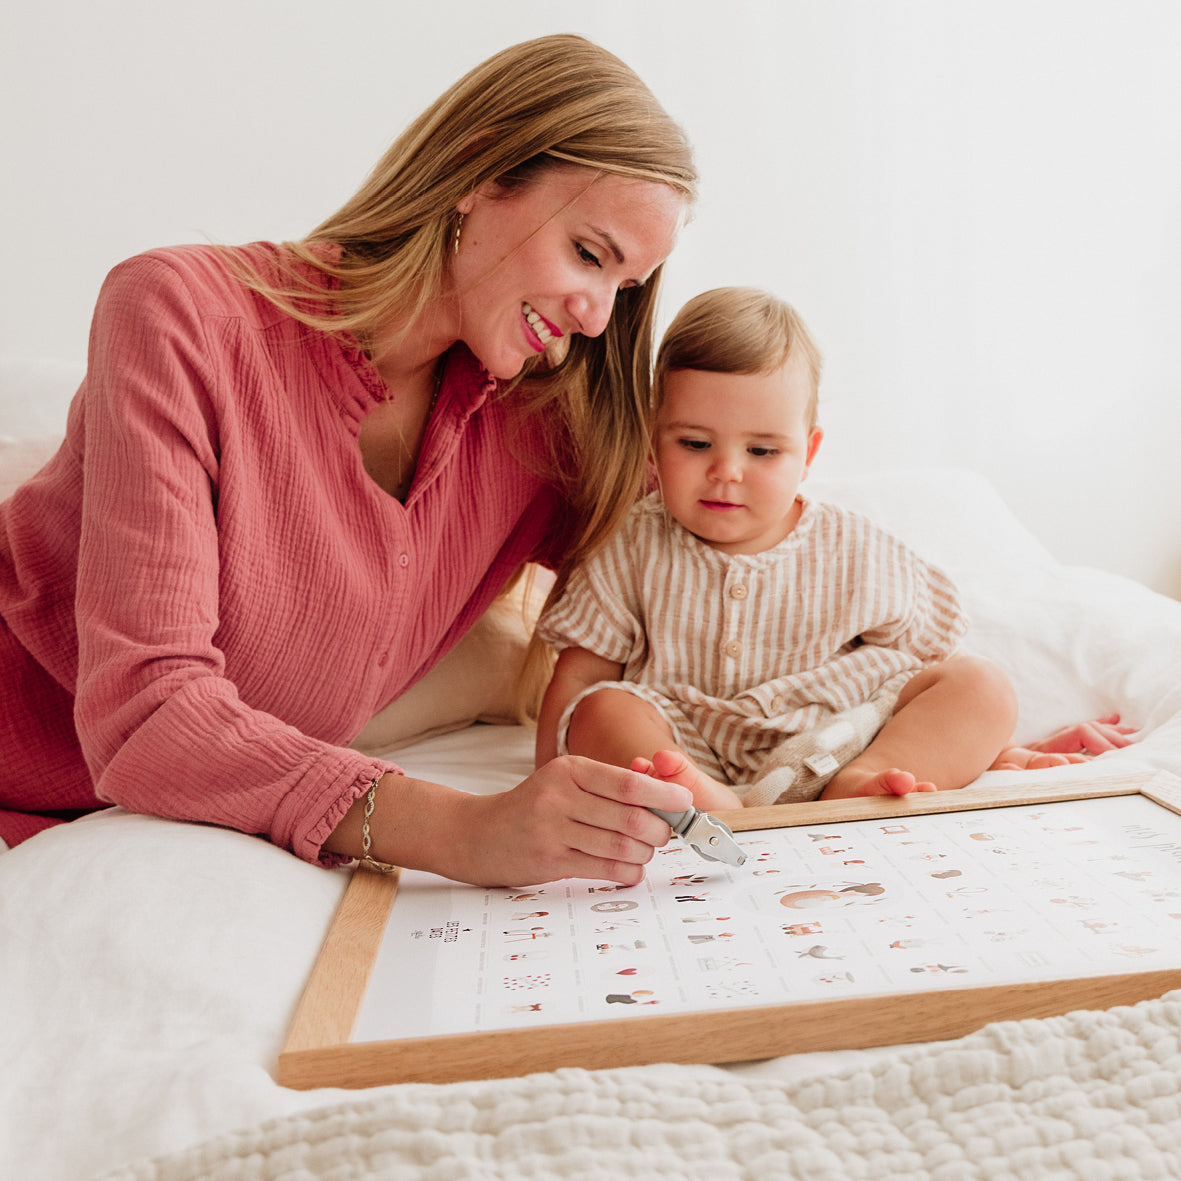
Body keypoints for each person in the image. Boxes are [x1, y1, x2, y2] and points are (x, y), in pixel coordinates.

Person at [0, 34, 701, 887]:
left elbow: (725, 555)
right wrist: (461, 831)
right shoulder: (181, 316)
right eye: (589, 255)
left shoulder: (536, 430)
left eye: (624, 289)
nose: (596, 318)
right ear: (480, 171)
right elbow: (146, 713)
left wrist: (873, 737)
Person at [534, 287, 1135, 811]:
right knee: (601, 710)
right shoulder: (631, 545)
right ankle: (708, 804)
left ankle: (865, 786)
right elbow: (578, 680)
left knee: (982, 683)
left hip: (836, 745)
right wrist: (542, 783)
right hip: (688, 753)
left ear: (809, 454)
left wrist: (995, 748)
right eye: (694, 443)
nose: (726, 472)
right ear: (653, 441)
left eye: (762, 452)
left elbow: (926, 671)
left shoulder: (857, 550)